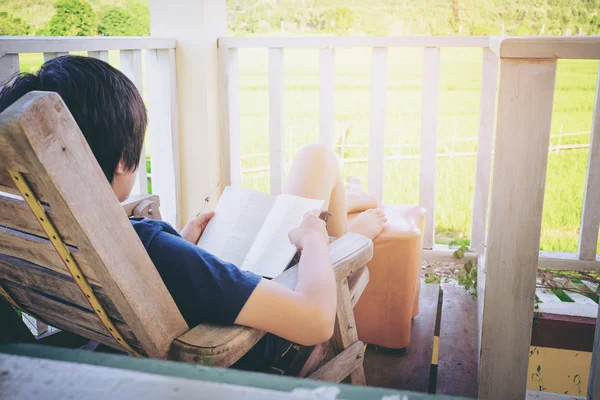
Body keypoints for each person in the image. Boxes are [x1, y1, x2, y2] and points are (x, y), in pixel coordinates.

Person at [0, 55, 386, 369]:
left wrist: (179, 247)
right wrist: (318, 241)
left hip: (154, 315)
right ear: (122, 160)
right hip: (250, 342)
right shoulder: (150, 245)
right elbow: (315, 321)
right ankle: (345, 230)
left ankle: (339, 207)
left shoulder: (35, 233)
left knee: (310, 174)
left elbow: (164, 271)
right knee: (317, 160)